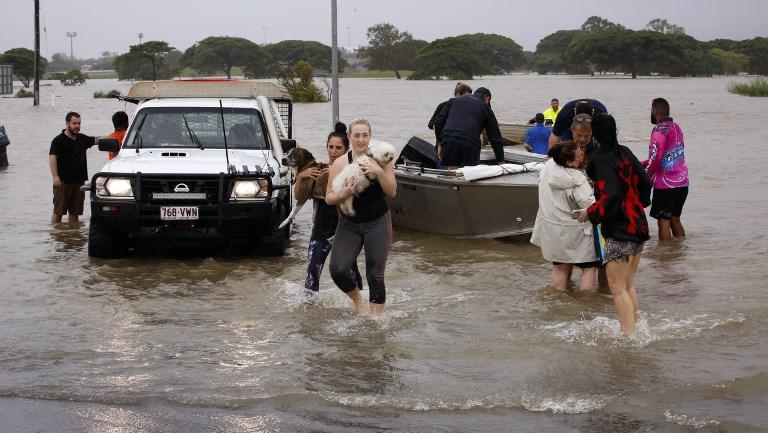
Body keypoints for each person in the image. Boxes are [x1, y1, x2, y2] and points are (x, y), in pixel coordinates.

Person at [578, 113, 651, 335]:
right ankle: (635, 329)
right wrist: (640, 203)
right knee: (628, 285)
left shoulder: (600, 159)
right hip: (638, 224)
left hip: (620, 228)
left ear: (595, 135)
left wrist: (589, 213)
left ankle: (629, 337)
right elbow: (646, 181)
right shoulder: (625, 152)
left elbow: (611, 196)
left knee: (617, 288)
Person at [325, 118, 397, 316]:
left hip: (378, 223)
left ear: (370, 137)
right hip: (349, 225)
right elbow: (329, 198)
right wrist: (343, 195)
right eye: (356, 135)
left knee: (375, 275)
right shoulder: (340, 163)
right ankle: (358, 300)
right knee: (338, 269)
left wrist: (378, 172)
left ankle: (377, 321)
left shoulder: (382, 158)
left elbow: (392, 192)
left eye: (365, 135)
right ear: (349, 137)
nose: (360, 139)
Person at [301, 122, 362, 301]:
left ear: (346, 149)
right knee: (312, 273)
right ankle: (308, 312)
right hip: (320, 230)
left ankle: (361, 307)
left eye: (338, 148)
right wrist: (300, 178)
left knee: (350, 271)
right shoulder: (318, 170)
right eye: (331, 147)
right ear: (326, 147)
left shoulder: (354, 172)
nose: (334, 151)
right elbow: (300, 198)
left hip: (346, 232)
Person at [531, 140, 597, 291]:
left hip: (551, 229)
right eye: (578, 157)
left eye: (581, 150)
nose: (581, 157)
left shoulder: (547, 167)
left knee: (560, 267)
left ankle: (558, 306)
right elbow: (590, 205)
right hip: (577, 232)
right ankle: (588, 307)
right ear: (568, 162)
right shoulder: (577, 178)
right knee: (589, 268)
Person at [644, 98, 689, 241]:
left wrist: (647, 174)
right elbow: (668, 155)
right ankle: (680, 251)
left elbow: (656, 157)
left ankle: (664, 258)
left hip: (665, 186)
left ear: (655, 111)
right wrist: (643, 162)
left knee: (663, 220)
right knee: (675, 218)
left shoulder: (659, 129)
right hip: (682, 183)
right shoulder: (676, 127)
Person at [48, 111, 99, 224]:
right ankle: (56, 237)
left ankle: (73, 237)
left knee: (75, 213)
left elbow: (96, 140)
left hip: (79, 182)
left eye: (79, 123)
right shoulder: (58, 141)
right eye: (74, 123)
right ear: (67, 124)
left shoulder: (82, 139)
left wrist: (116, 136)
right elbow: (52, 158)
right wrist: (55, 177)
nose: (77, 126)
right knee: (58, 212)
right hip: (62, 182)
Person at [434, 87, 504, 167]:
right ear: (487, 98)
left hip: (448, 141)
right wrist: (500, 160)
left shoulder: (453, 101)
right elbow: (495, 137)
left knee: (452, 172)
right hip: (469, 143)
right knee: (468, 174)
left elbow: (438, 123)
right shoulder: (486, 108)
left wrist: (439, 144)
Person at [428, 82, 473, 146]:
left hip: (443, 142)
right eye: (466, 97)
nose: (468, 100)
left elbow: (431, 125)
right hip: (455, 143)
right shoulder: (468, 108)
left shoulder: (442, 105)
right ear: (457, 94)